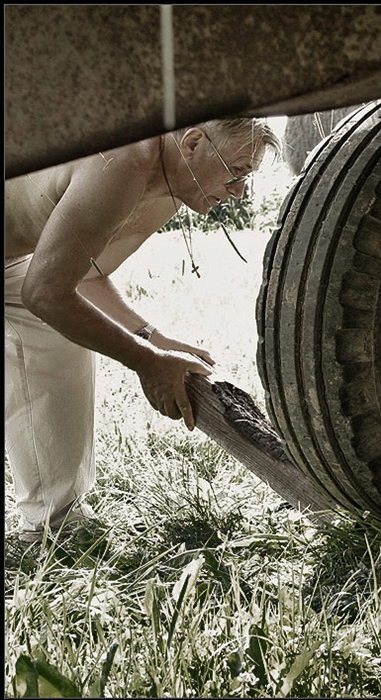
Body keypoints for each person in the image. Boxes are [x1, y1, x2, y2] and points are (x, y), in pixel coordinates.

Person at [5, 117, 281, 542]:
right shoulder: (124, 162)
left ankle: (53, 527)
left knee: (59, 335)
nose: (240, 191)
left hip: (12, 262)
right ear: (193, 144)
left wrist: (150, 337)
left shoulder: (175, 180)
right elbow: (46, 292)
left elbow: (85, 275)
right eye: (238, 171)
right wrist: (146, 362)